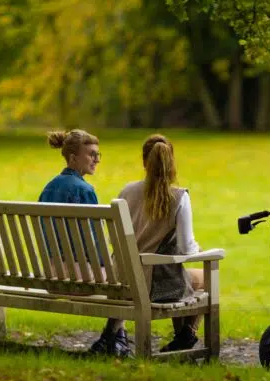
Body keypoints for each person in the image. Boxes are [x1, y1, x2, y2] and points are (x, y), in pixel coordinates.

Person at [89, 134, 205, 355]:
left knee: (183, 276)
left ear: (145, 162)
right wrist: (200, 250)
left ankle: (111, 335)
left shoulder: (126, 191)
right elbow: (186, 249)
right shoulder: (178, 197)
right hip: (155, 285)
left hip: (121, 278)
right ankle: (186, 334)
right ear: (171, 163)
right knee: (204, 275)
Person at [39, 130, 132, 356]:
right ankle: (112, 337)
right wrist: (108, 263)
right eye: (91, 154)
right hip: (78, 278)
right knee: (132, 276)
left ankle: (114, 339)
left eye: (98, 155)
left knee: (124, 272)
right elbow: (95, 245)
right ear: (73, 158)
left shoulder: (48, 188)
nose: (96, 160)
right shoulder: (84, 190)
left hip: (51, 275)